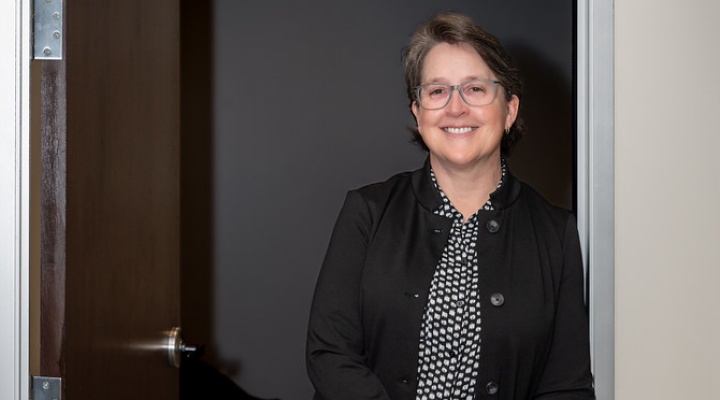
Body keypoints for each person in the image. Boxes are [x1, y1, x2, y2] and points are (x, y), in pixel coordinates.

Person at [306, 12, 595, 400]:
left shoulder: (556, 235)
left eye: (475, 89)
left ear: (509, 110)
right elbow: (330, 355)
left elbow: (567, 387)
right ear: (417, 112)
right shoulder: (367, 212)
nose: (455, 108)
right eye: (437, 91)